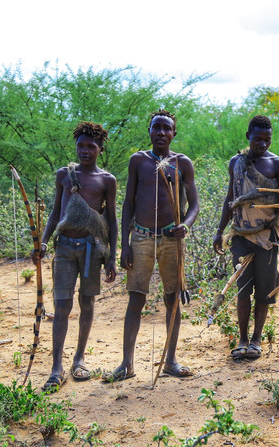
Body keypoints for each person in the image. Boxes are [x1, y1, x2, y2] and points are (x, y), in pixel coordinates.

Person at [105, 109, 199, 381]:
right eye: (156, 127)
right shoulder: (139, 161)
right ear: (149, 131)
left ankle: (170, 361)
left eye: (166, 128)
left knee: (172, 299)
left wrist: (186, 225)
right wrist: (125, 245)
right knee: (136, 298)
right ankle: (127, 364)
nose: (160, 132)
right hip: (142, 237)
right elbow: (129, 203)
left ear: (174, 134)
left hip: (172, 238)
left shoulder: (182, 163)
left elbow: (194, 204)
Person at [32, 121, 118, 393]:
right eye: (80, 145)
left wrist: (113, 257)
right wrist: (43, 241)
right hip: (65, 248)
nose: (84, 150)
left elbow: (112, 220)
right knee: (62, 306)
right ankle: (56, 367)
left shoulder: (107, 180)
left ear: (100, 149)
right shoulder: (64, 175)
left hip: (93, 248)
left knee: (87, 303)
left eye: (91, 146)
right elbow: (56, 212)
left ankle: (79, 358)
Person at [213, 115, 279, 360]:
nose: (263, 143)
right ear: (248, 135)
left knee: (264, 290)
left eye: (267, 139)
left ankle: (257, 339)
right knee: (242, 288)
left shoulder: (278, 165)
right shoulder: (236, 162)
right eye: (258, 138)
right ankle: (242, 339)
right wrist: (219, 230)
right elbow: (231, 198)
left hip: (268, 237)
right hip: (240, 236)